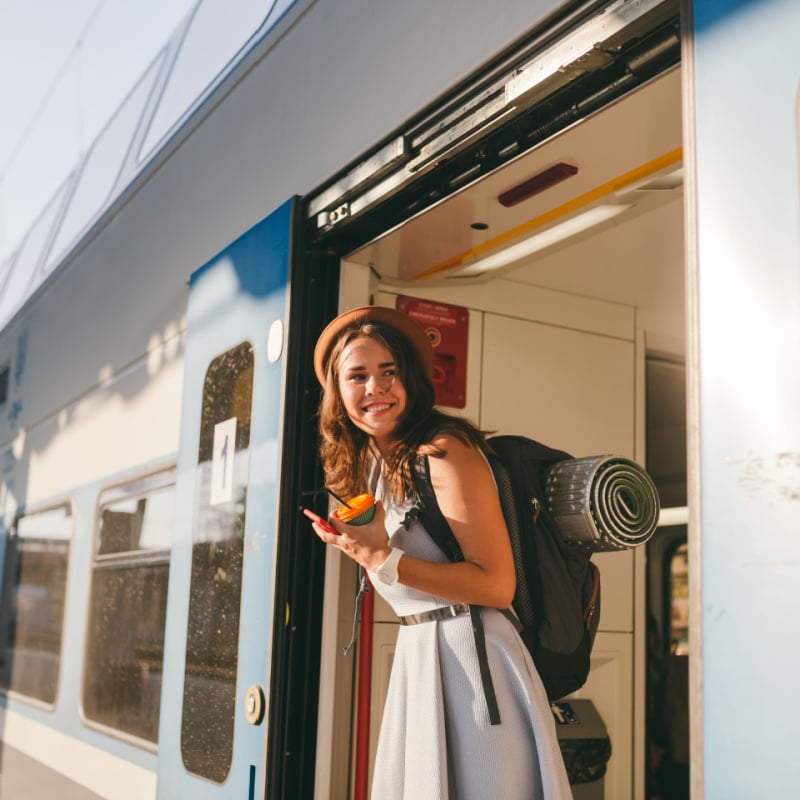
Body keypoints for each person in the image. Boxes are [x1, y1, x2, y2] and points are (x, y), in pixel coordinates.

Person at [310, 305, 573, 799]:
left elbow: (497, 584)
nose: (375, 389)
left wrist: (379, 560)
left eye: (389, 372)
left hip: (476, 663)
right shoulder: (371, 468)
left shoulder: (444, 450)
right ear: (338, 391)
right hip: (423, 656)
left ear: (410, 377)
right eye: (358, 376)